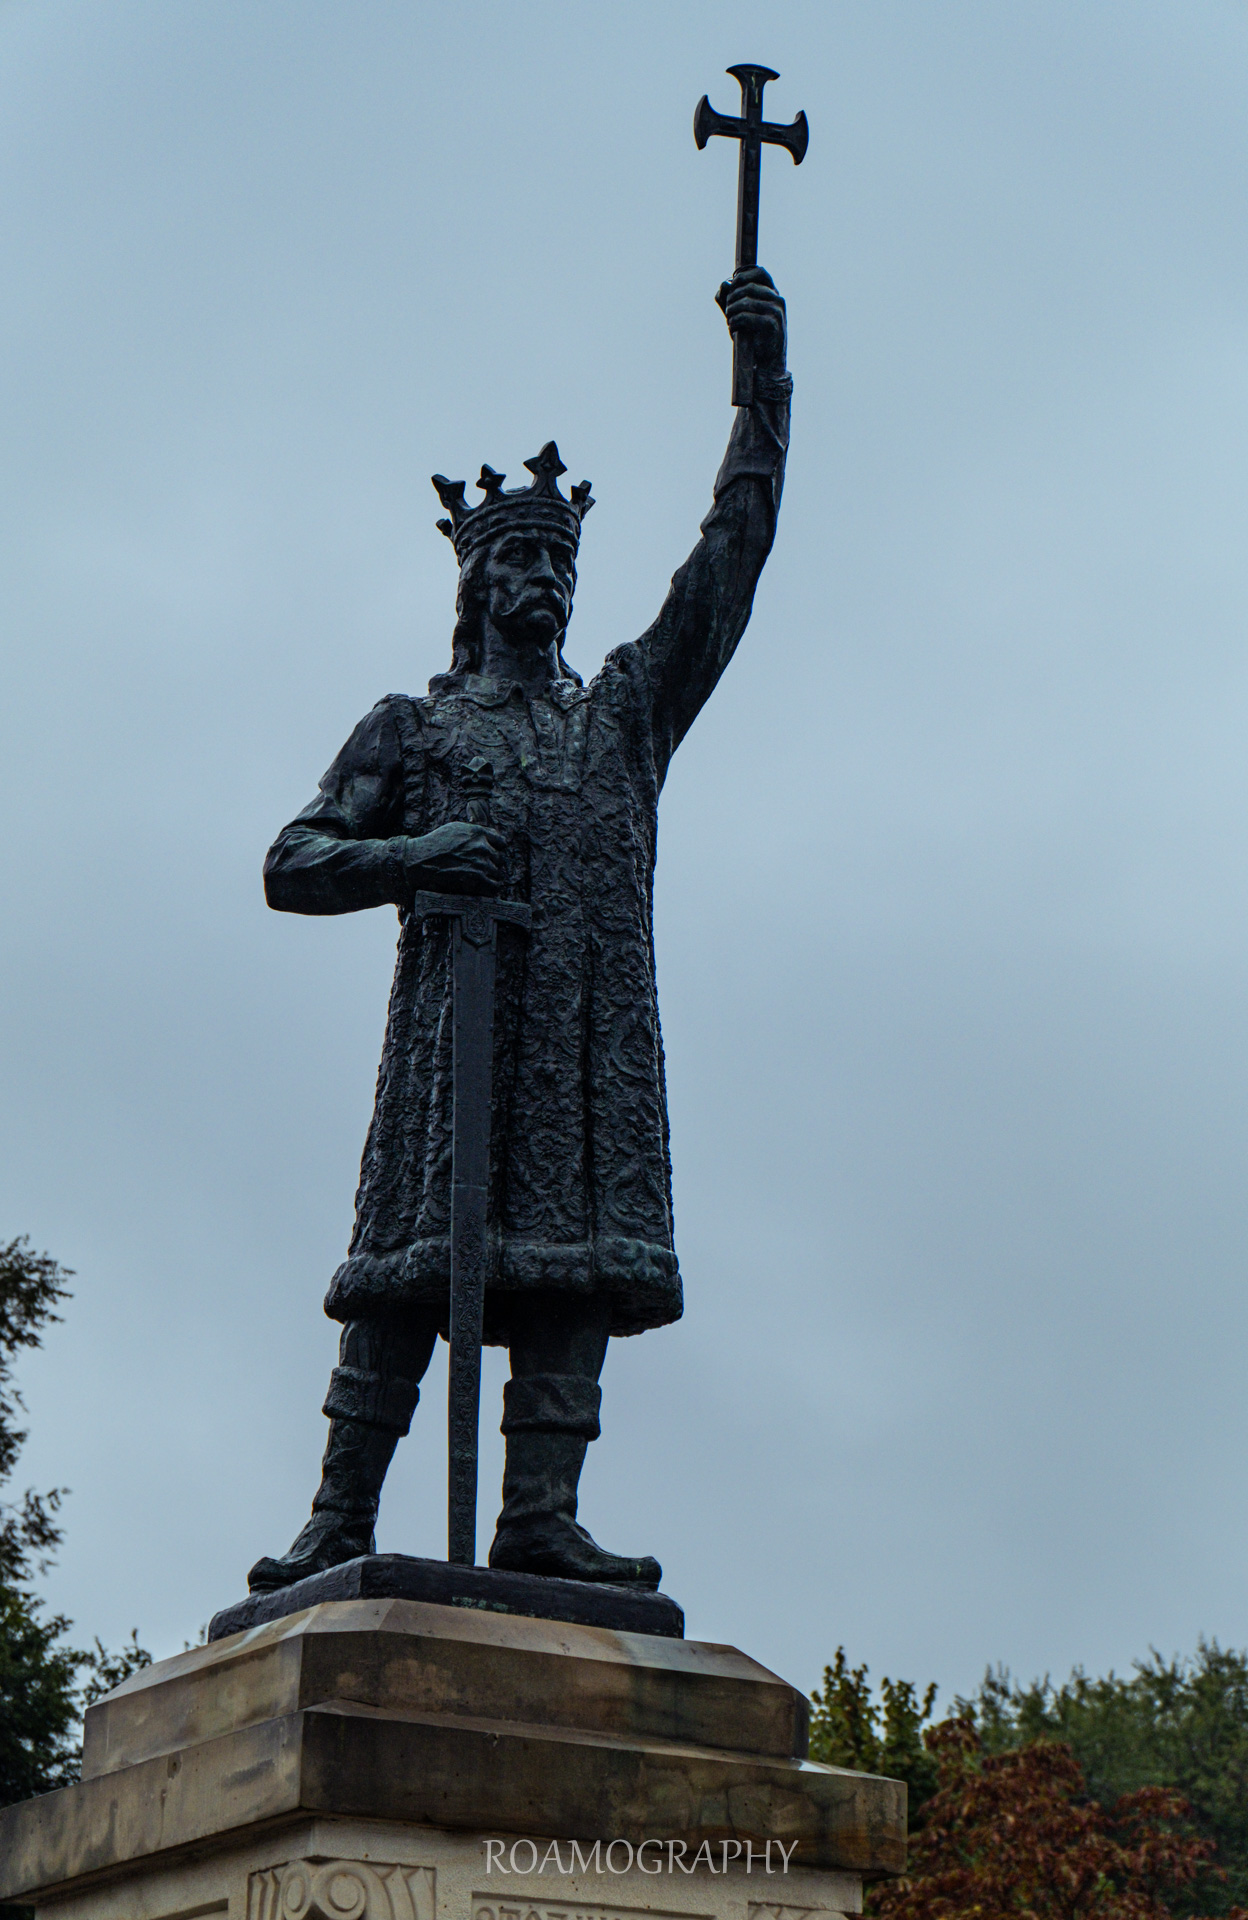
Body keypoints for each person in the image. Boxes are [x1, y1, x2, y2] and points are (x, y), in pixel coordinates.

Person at [248, 268, 791, 1592]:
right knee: (405, 1268)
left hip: (586, 1046)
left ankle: (539, 1517)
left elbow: (728, 565)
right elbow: (292, 861)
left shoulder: (624, 715)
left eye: (558, 559)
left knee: (575, 1272)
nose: (542, 573)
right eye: (518, 557)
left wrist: (764, 392)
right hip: (456, 1043)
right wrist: (416, 855)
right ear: (475, 582)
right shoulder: (415, 727)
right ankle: (338, 1516)